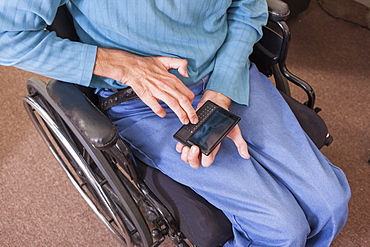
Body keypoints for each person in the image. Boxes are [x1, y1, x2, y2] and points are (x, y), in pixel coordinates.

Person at [0, 0, 351, 246]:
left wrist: (221, 91)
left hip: (223, 71)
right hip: (143, 101)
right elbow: (6, 36)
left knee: (331, 205)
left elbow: (248, 9)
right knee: (282, 228)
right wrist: (124, 66)